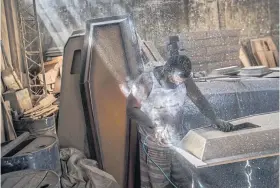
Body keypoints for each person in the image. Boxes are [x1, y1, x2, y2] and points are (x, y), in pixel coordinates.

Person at [126, 36, 233, 187]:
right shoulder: (147, 82)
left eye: (184, 79)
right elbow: (131, 110)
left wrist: (215, 119)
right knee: (160, 183)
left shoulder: (184, 78)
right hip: (155, 145)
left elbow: (199, 100)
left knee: (185, 180)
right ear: (168, 72)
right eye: (179, 79)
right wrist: (155, 126)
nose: (181, 83)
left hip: (177, 141)